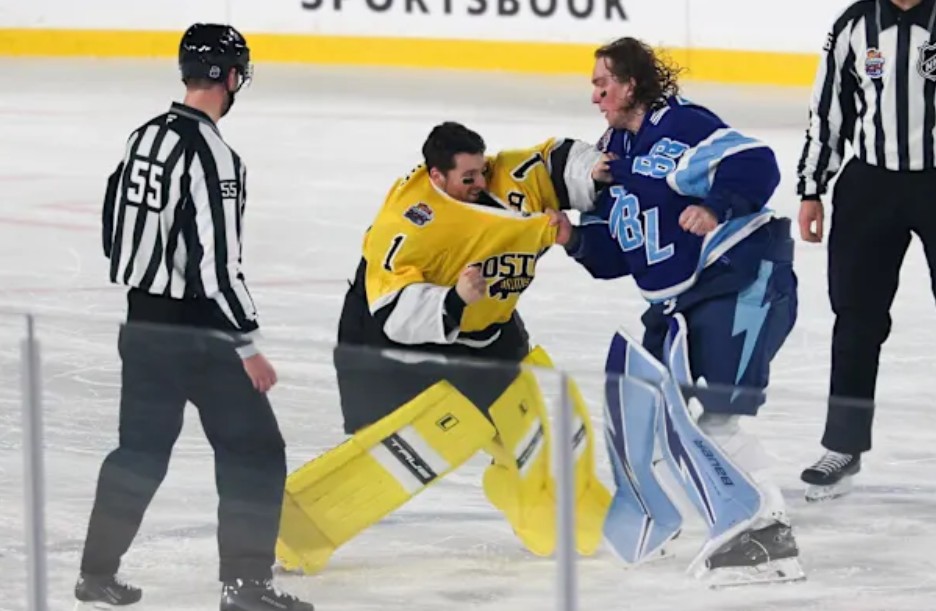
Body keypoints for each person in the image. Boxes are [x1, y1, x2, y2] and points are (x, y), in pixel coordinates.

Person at [274, 122, 613, 575]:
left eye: (482, 171)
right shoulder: (410, 221)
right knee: (405, 433)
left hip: (489, 327)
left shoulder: (506, 179)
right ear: (437, 176)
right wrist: (454, 301)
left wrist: (595, 171)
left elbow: (554, 160)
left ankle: (548, 506)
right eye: (467, 178)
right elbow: (392, 312)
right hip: (388, 337)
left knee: (524, 401)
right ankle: (294, 528)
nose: (480, 184)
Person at [76, 24, 313, 611]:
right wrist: (248, 344)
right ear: (231, 78)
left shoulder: (144, 136)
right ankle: (246, 585)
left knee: (139, 453)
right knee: (255, 449)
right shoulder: (214, 154)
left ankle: (96, 574)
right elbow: (218, 266)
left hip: (142, 325)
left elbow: (115, 232)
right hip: (200, 335)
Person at [549, 37, 802, 585]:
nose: (595, 96)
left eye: (602, 84)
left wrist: (715, 206)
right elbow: (623, 251)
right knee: (660, 415)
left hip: (741, 276)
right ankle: (713, 518)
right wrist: (573, 238)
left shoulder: (679, 126)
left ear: (630, 84)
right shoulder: (616, 147)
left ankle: (767, 532)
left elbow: (755, 163)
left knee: (714, 417)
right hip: (682, 301)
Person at [796, 0, 936, 501]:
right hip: (870, 186)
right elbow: (828, 111)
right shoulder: (854, 25)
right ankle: (844, 445)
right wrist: (811, 188)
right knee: (855, 319)